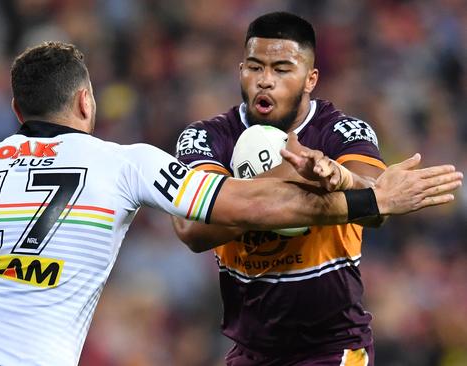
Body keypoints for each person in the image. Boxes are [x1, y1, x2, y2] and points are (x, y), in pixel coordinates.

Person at [0, 41, 461, 366]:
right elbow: (238, 208)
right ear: (85, 104)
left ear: (17, 112)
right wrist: (371, 199)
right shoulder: (126, 162)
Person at [171, 11, 432, 365]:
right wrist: (296, 175)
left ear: (310, 79)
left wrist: (343, 179)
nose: (265, 81)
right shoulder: (206, 137)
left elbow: (374, 206)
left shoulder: (343, 132)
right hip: (251, 351)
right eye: (254, 67)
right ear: (240, 71)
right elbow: (193, 228)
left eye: (281, 69)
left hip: (332, 346)